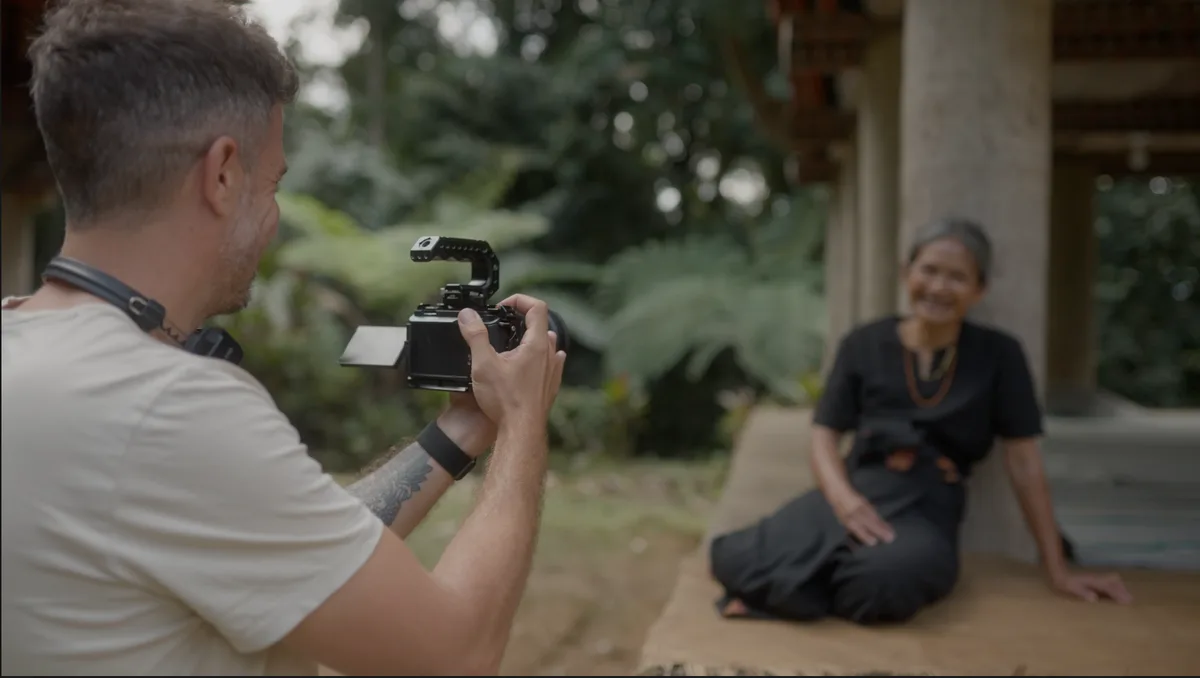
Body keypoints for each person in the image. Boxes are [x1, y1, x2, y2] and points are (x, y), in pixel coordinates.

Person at [0, 1, 566, 675]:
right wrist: (527, 421)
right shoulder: (165, 407)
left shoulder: (30, 349)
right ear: (221, 174)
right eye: (272, 184)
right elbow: (456, 651)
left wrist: (463, 432)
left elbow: (297, 555)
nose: (272, 217)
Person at [708, 217, 1133, 626]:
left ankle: (794, 594)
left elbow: (1023, 462)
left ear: (979, 290)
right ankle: (809, 587)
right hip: (860, 488)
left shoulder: (1000, 355)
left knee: (884, 583)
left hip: (928, 502)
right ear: (906, 272)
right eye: (928, 270)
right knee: (732, 557)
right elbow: (824, 435)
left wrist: (1056, 568)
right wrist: (844, 500)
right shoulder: (864, 343)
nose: (938, 287)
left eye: (957, 277)